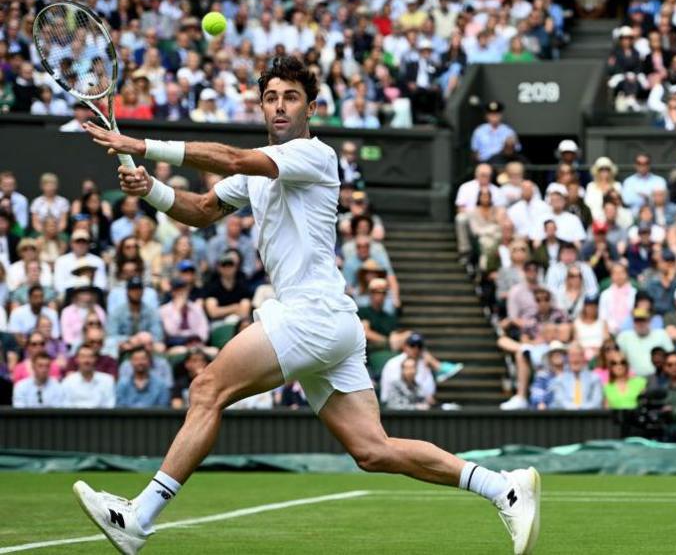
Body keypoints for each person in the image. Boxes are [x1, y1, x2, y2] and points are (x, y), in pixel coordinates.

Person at [77, 56, 540, 554]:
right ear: (261, 106)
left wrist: (142, 145)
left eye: (290, 98)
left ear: (310, 108)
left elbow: (233, 159)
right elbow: (202, 211)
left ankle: (139, 516)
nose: (279, 106)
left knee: (207, 388)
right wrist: (153, 189)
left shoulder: (314, 155)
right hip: (333, 322)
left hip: (311, 314)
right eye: (271, 98)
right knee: (373, 450)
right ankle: (504, 488)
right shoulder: (259, 173)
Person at [548, 343, 603, 410]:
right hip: (567, 417)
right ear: (568, 358)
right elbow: (560, 401)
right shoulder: (559, 380)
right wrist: (576, 409)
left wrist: (580, 409)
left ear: (583, 357)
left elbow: (596, 402)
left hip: (589, 417)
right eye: (572, 356)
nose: (575, 359)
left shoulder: (594, 378)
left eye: (578, 355)